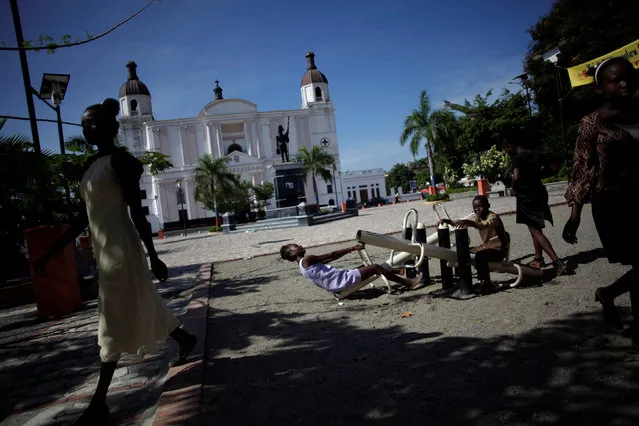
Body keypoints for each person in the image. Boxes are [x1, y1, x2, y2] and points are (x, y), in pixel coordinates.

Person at [34, 99, 197, 424]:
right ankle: (184, 338)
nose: (87, 128)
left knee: (110, 320)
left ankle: (98, 402)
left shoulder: (121, 163)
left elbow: (137, 212)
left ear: (111, 126)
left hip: (122, 250)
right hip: (104, 252)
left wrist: (153, 255)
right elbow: (85, 217)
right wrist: (53, 252)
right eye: (84, 124)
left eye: (92, 122)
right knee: (141, 302)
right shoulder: (91, 165)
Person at [563, 56, 639, 348]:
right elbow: (582, 168)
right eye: (614, 80)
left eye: (627, 78)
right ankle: (613, 301)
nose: (623, 84)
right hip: (613, 202)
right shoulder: (591, 123)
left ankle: (609, 295)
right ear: (599, 88)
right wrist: (574, 215)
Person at [503, 129, 566, 275]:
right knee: (535, 226)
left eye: (506, 147)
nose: (506, 150)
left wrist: (513, 188)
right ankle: (538, 259)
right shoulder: (536, 153)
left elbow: (516, 177)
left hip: (526, 196)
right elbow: (553, 165)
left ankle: (557, 262)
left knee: (535, 230)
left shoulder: (518, 158)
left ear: (512, 144)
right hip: (539, 192)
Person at [280, 243, 422, 294]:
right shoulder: (307, 259)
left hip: (335, 286)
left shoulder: (302, 266)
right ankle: (408, 283)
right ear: (293, 253)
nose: (299, 245)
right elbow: (332, 255)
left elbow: (329, 259)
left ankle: (398, 271)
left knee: (365, 267)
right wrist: (352, 248)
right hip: (342, 281)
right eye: (296, 246)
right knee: (375, 267)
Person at [437, 195, 510, 289]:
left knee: (480, 256)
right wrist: (446, 221)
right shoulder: (478, 218)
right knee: (460, 251)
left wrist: (470, 223)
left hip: (499, 251)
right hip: (488, 247)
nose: (477, 210)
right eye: (475, 208)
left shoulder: (493, 217)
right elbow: (461, 222)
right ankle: (462, 277)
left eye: (480, 207)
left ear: (488, 206)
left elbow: (484, 225)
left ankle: (485, 283)